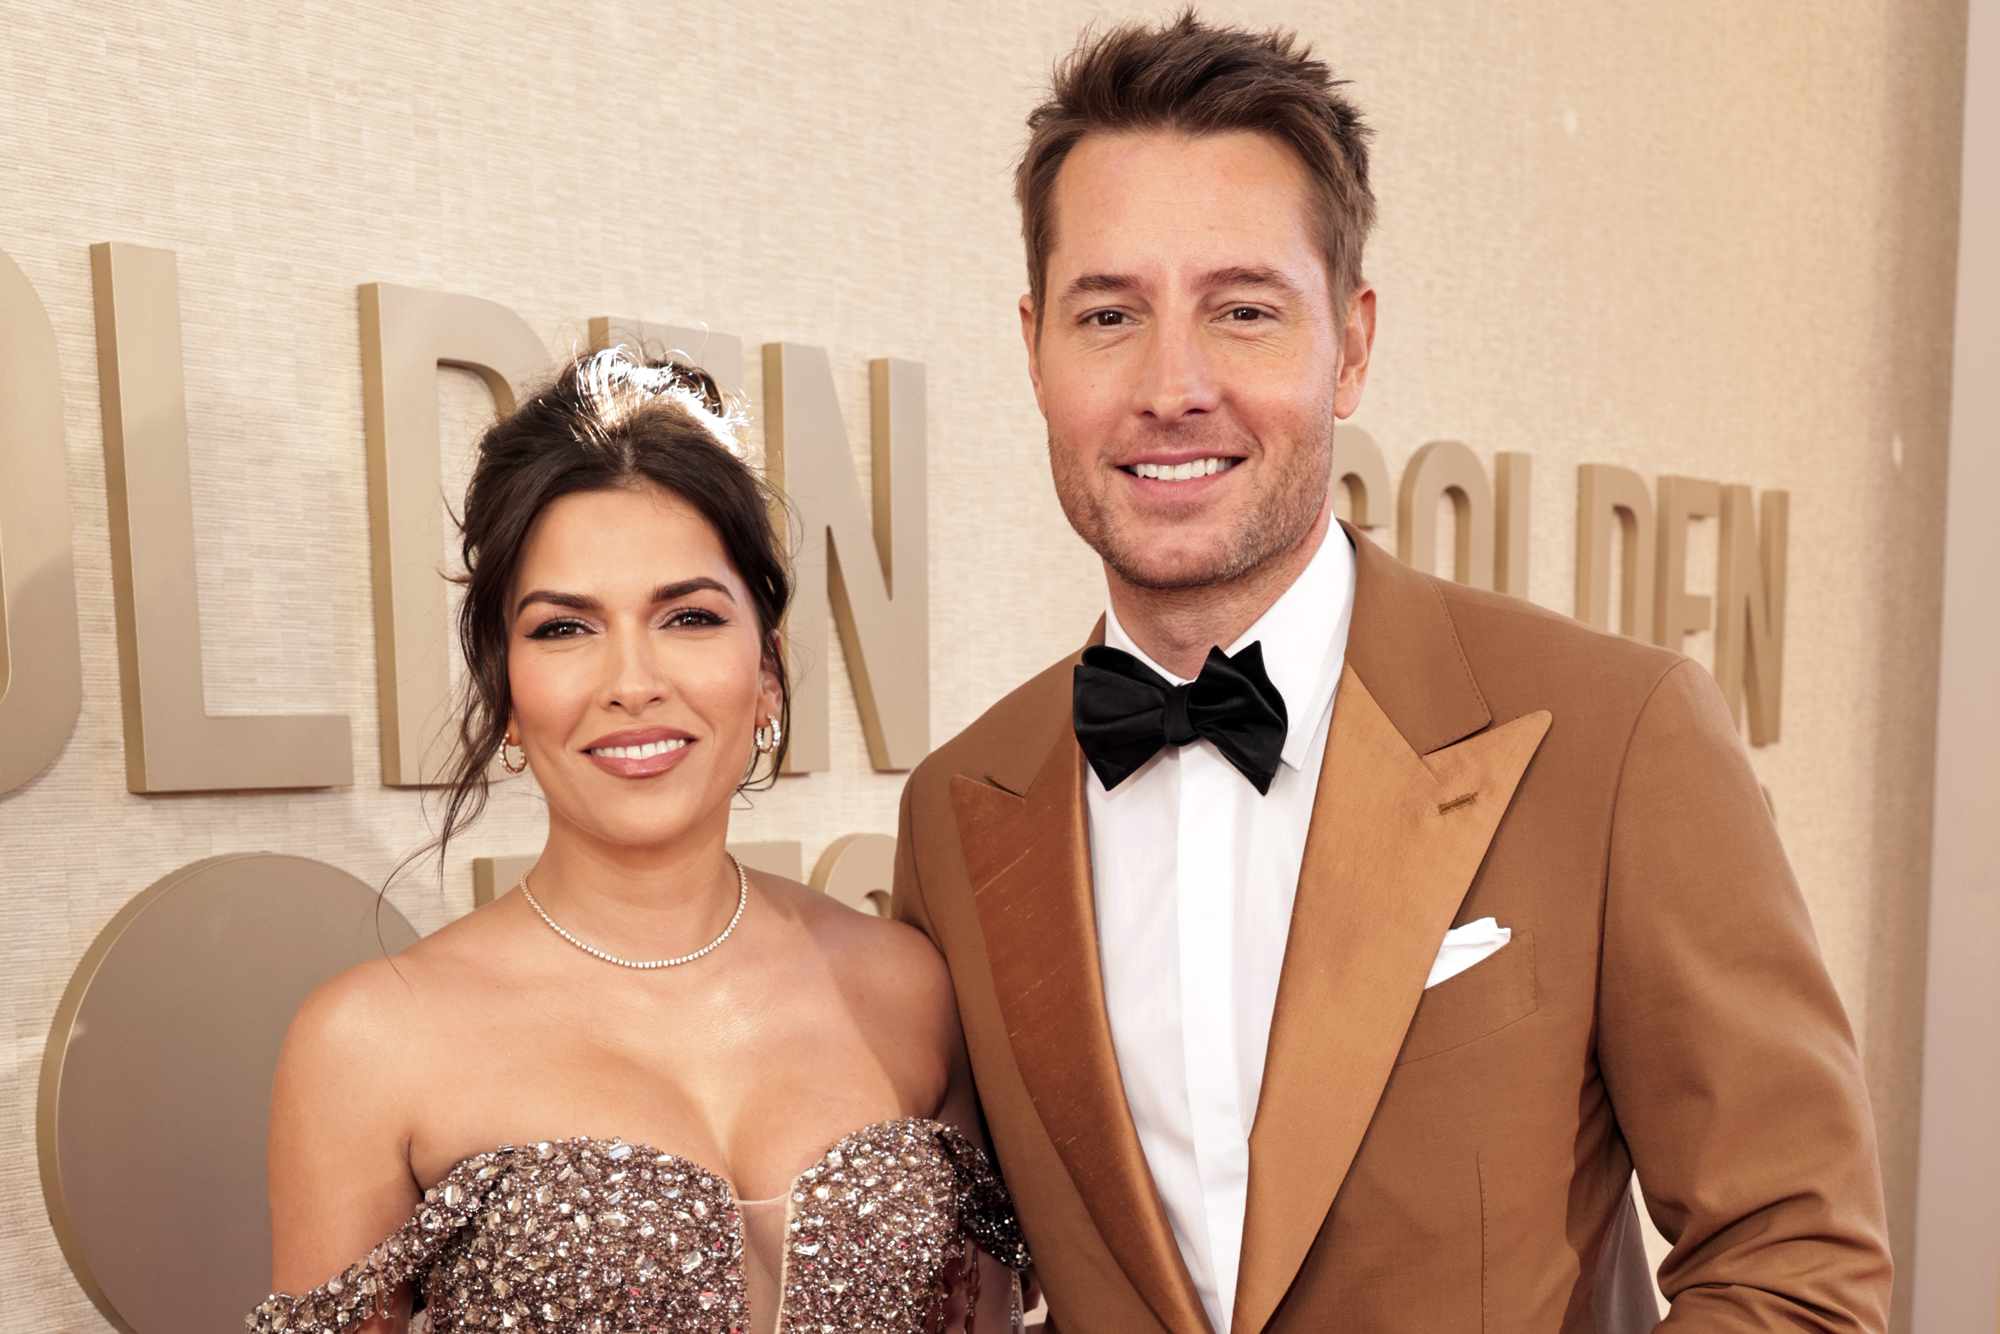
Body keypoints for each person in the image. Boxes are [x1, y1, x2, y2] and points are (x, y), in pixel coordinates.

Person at [892, 12, 1893, 1333]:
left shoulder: (1616, 733)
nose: (1172, 382)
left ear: (1351, 344)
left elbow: (1798, 1267)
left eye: (1244, 311)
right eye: (1109, 314)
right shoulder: (961, 808)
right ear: (1034, 349)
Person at [249, 349, 1028, 1334]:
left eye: (688, 615)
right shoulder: (367, 1042)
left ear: (768, 673)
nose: (632, 680)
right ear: (506, 695)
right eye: (565, 629)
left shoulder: (908, 984)